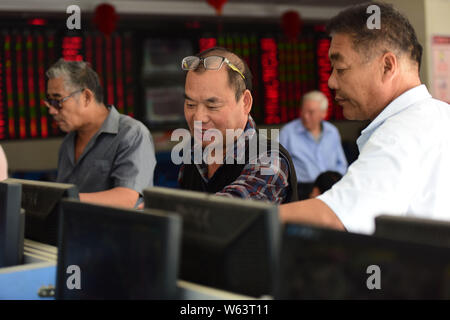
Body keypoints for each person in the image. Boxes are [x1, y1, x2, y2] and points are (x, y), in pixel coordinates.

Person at [280, 2, 450, 234]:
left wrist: (238, 217)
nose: (331, 82)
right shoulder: (440, 114)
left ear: (387, 66)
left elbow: (336, 216)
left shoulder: (401, 131)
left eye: (340, 69)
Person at [178, 47, 298, 204]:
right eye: (190, 104)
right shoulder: (193, 156)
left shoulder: (269, 160)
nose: (199, 118)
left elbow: (230, 211)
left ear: (245, 102)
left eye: (212, 106)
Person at [46, 59, 156, 208]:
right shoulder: (68, 142)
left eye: (58, 101)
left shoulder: (131, 134)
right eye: (49, 102)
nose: (52, 110)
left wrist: (60, 198)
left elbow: (126, 198)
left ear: (86, 97)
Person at [279, 90, 348, 199]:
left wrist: (334, 182)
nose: (305, 116)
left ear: (323, 113)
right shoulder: (287, 133)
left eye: (311, 112)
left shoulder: (332, 131)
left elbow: (341, 164)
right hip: (301, 190)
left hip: (331, 188)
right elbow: (278, 167)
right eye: (303, 111)